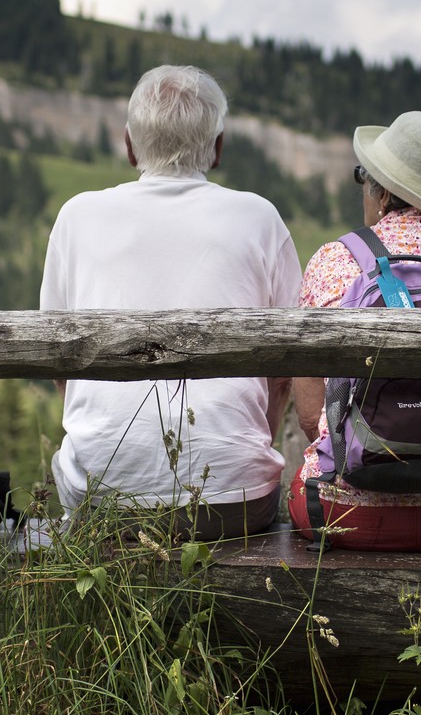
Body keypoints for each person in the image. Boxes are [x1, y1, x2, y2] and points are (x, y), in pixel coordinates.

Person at [40, 65, 302, 539]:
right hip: (232, 501)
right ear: (218, 149)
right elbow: (286, 370)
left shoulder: (76, 216)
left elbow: (60, 362)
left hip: (101, 496)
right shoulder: (259, 218)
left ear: (129, 144)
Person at [290, 111, 421, 552]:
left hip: (344, 510)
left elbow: (312, 416)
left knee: (303, 483)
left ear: (383, 191)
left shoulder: (334, 261)